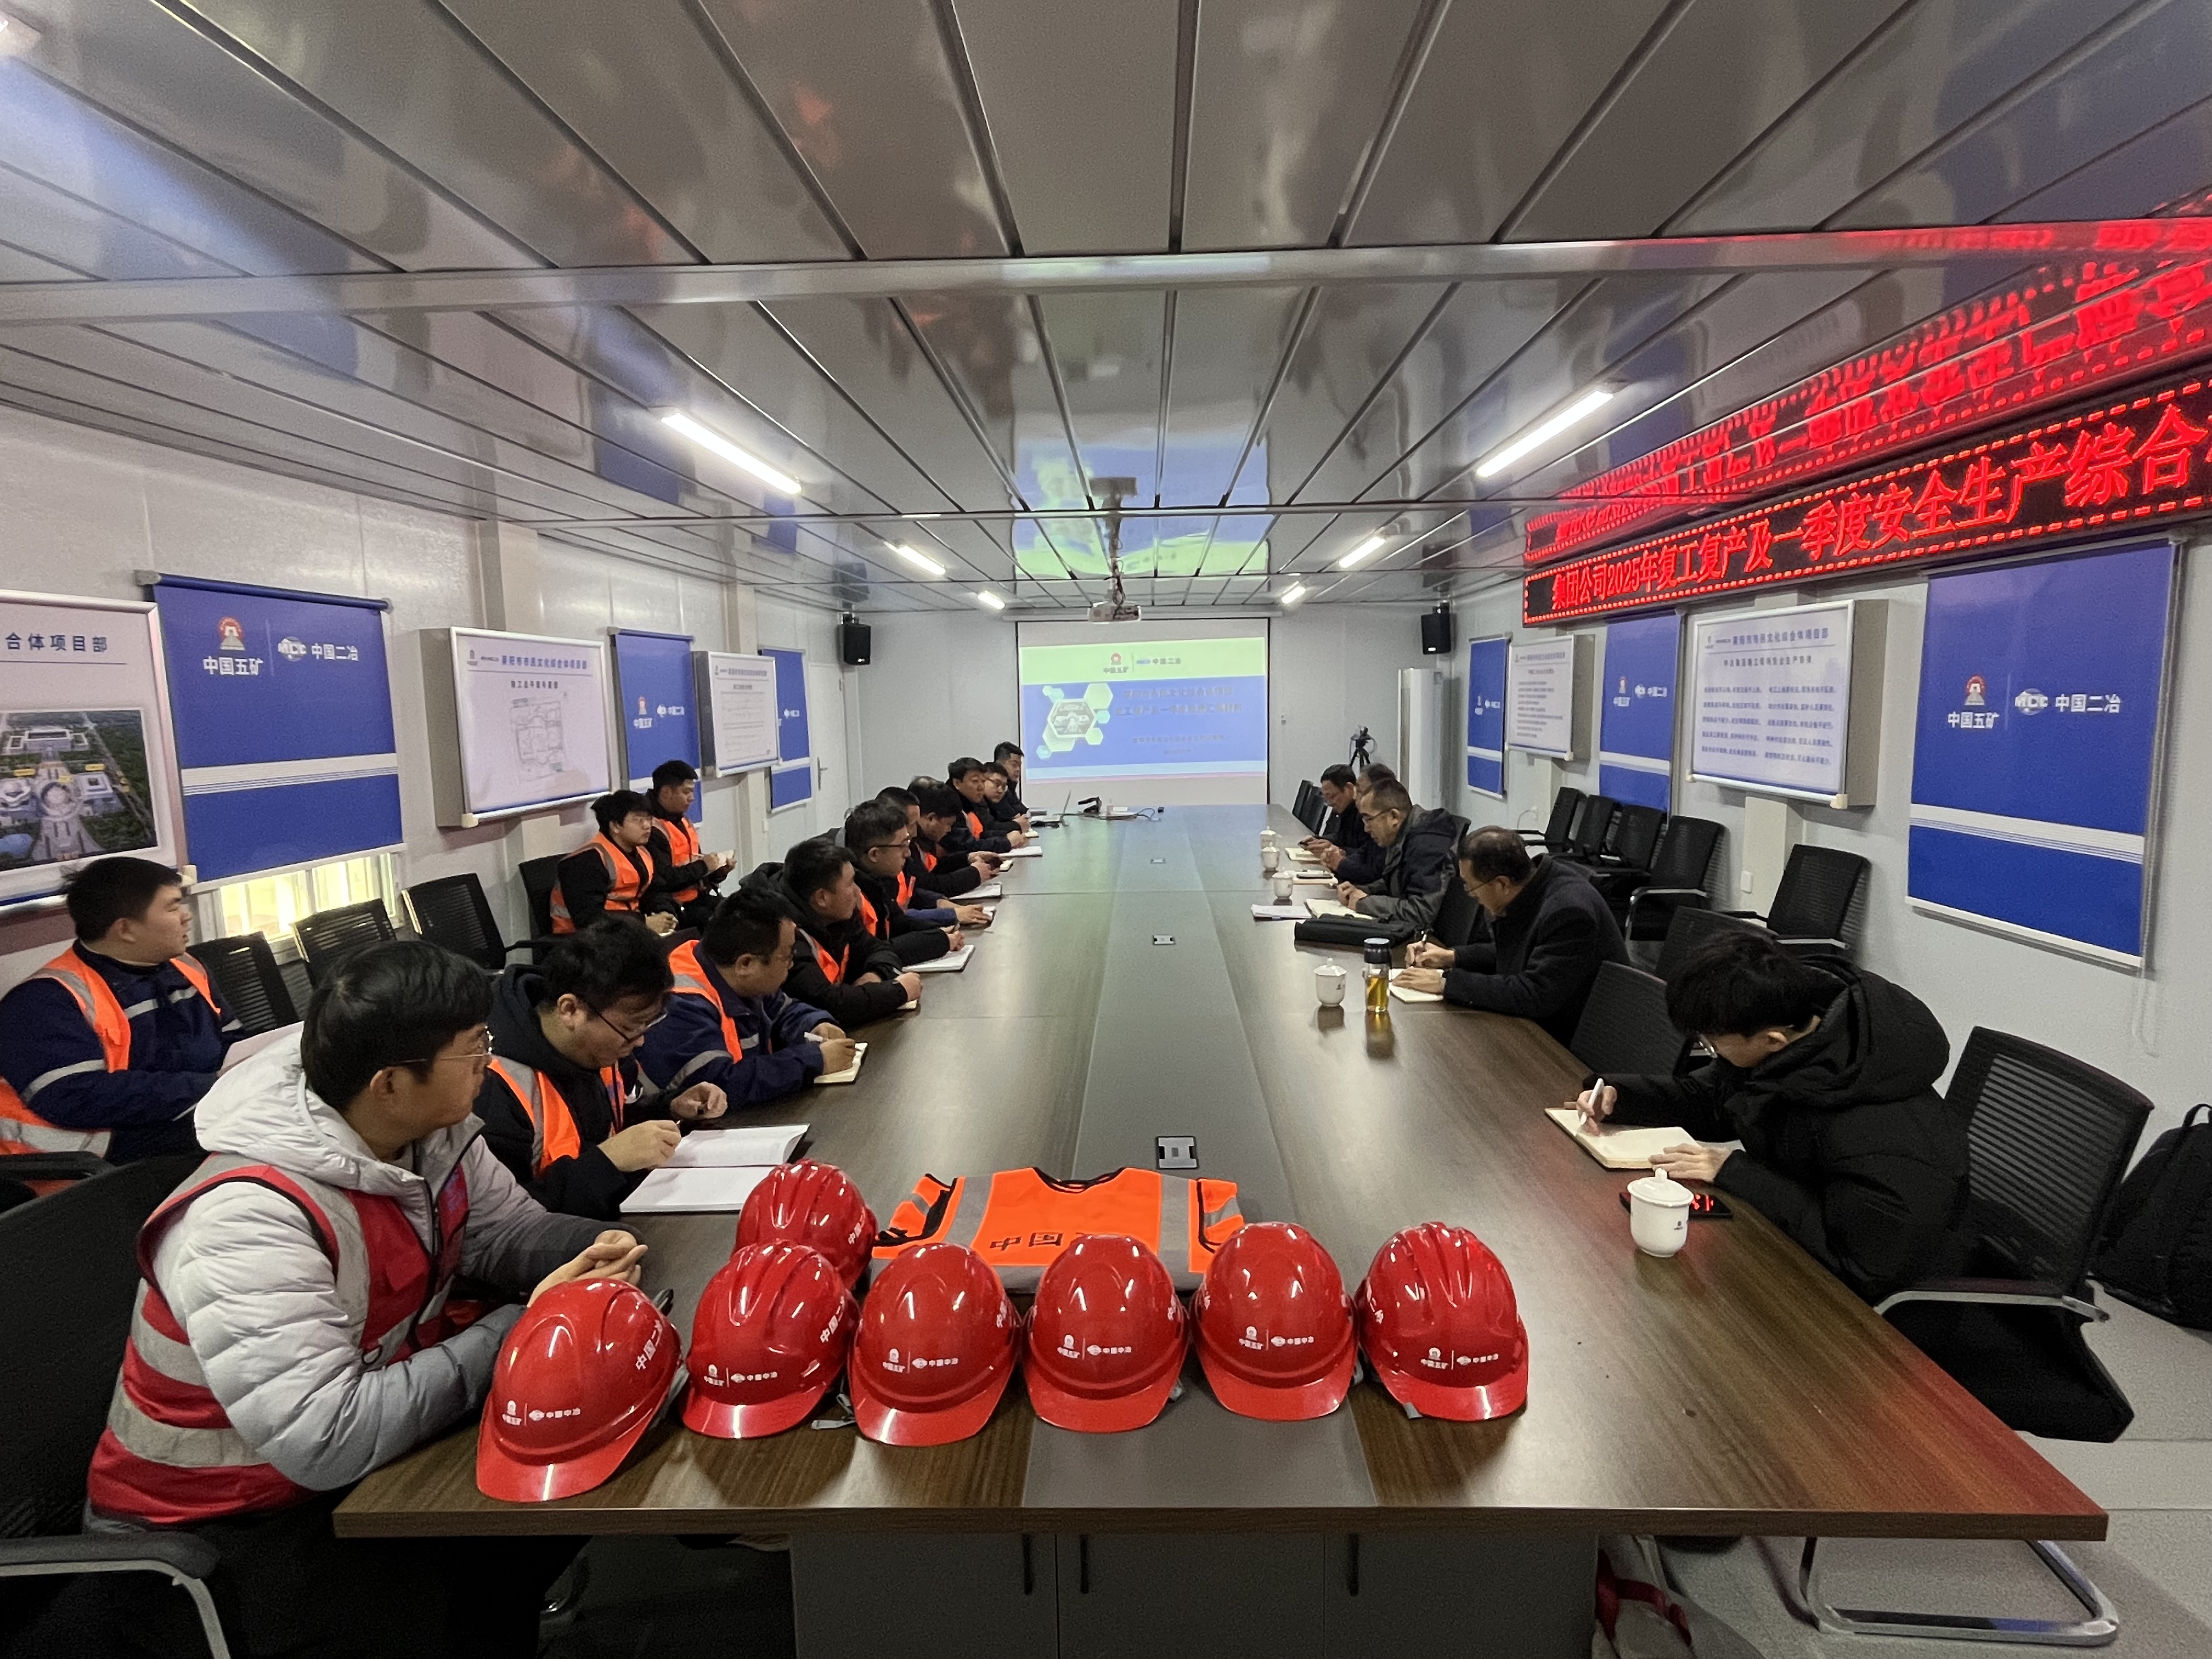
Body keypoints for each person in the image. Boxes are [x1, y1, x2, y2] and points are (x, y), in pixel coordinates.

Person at [76, 939, 633, 1658]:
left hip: (342, 1465)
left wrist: (599, 1245)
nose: (488, 1063)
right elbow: (326, 1437)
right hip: (216, 1531)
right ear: (391, 1084)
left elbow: (506, 1233)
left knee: (545, 1503)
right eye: (474, 1048)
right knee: (483, 1554)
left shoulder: (430, 1130)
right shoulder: (247, 1217)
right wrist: (525, 1325)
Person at [1571, 930, 1969, 1304]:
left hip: (1880, 1312)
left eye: (1713, 1044)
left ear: (1773, 1040)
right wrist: (1621, 1099)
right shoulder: (1791, 1039)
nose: (1711, 1052)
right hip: (1791, 1248)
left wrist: (1737, 1172)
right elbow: (1715, 1101)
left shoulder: (1876, 1129)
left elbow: (1862, 1266)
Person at [476, 920, 728, 1220]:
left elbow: (621, 1112)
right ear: (570, 1010)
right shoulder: (491, 1084)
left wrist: (671, 1106)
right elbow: (502, 1221)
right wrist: (607, 1162)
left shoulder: (605, 1048)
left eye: (646, 1026)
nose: (639, 1041)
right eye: (630, 1028)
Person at [0, 856, 239, 1164]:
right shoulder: (45, 1001)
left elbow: (232, 1039)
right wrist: (211, 1084)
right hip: (101, 1166)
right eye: (173, 907)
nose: (186, 916)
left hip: (193, 1118)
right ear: (125, 929)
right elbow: (75, 1097)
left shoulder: (187, 967)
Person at [1396, 828, 1626, 1044]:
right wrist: (1452, 957)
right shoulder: (1534, 884)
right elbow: (1518, 950)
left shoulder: (1569, 912)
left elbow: (1535, 994)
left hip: (1573, 1044)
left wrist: (1447, 983)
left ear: (1501, 884)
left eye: (1470, 887)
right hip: (1542, 1024)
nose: (1471, 896)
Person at [639, 890, 859, 1107]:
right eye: (786, 956)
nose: (792, 964)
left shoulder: (732, 973)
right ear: (746, 964)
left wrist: (815, 1024)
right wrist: (815, 1060)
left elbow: (783, 1010)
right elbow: (720, 1087)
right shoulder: (680, 1003)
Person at [740, 837, 922, 1028]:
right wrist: (899, 991)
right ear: (822, 898)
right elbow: (829, 1004)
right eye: (850, 884)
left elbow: (881, 950)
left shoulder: (839, 916)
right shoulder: (783, 933)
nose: (858, 891)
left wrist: (875, 975)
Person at [1335, 777, 1466, 936]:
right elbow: (1397, 882)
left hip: (1430, 941)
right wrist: (1361, 891)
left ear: (1394, 817)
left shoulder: (1426, 846)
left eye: (1369, 819)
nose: (1366, 829)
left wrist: (1366, 903)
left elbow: (1421, 912)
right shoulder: (1405, 835)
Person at [844, 799, 962, 966]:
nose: (908, 853)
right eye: (902, 846)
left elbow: (898, 922)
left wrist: (935, 932)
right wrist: (939, 941)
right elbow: (871, 953)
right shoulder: (849, 895)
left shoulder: (877, 882)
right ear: (874, 855)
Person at [549, 790, 677, 935]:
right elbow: (589, 919)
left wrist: (664, 912)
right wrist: (643, 922)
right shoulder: (586, 862)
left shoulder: (643, 853)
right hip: (583, 940)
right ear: (615, 826)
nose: (647, 826)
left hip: (628, 931)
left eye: (649, 819)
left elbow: (653, 891)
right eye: (638, 820)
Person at [877, 786, 991, 930]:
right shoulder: (877, 868)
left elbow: (914, 892)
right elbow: (896, 917)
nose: (914, 832)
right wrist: (951, 915)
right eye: (912, 825)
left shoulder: (905, 849)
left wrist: (940, 903)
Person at [644, 758, 732, 930]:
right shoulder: (651, 829)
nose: (692, 798)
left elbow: (694, 866)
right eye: (686, 792)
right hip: (674, 905)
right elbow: (664, 880)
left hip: (698, 897)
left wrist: (717, 872)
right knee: (726, 925)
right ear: (666, 792)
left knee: (743, 910)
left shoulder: (683, 821)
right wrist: (704, 866)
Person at [911, 784, 1001, 902]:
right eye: (948, 824)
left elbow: (937, 868)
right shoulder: (908, 844)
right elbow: (929, 885)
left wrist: (968, 858)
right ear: (931, 818)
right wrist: (974, 874)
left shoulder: (925, 840)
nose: (949, 830)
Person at [943, 757, 1029, 856]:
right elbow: (967, 846)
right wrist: (1007, 842)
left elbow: (980, 834)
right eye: (975, 781)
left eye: (983, 781)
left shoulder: (968, 802)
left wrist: (1006, 836)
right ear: (957, 783)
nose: (981, 787)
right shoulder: (948, 808)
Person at [1301, 764, 1374, 874]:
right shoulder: (1346, 810)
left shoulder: (1365, 814)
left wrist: (1340, 851)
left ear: (1349, 788)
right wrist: (1319, 840)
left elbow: (1368, 855)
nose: (1329, 803)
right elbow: (1342, 837)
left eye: (1332, 797)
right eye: (1326, 799)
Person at [980, 760, 1029, 831]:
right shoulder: (977, 802)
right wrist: (1016, 824)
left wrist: (1013, 820)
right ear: (983, 780)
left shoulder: (996, 801)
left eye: (1004, 787)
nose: (1000, 791)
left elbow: (1005, 818)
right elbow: (989, 828)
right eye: (997, 784)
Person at [992, 742, 1030, 819]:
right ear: (999, 764)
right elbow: (1010, 814)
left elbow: (1021, 810)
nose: (1018, 769)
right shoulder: (994, 788)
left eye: (1020, 765)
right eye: (1014, 765)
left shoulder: (1011, 785)